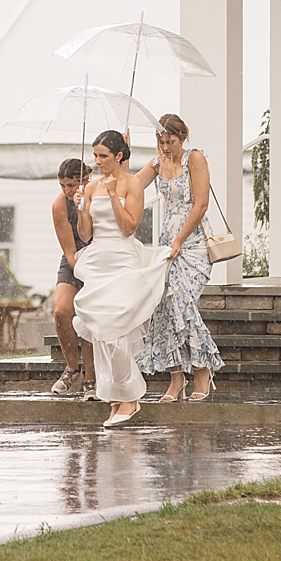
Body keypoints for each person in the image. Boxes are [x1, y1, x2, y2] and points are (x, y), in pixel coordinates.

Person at [72, 130, 172, 427]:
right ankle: (115, 397)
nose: (98, 161)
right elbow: (85, 234)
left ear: (119, 156)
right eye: (95, 156)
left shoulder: (132, 185)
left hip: (122, 260)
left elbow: (129, 227)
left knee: (114, 332)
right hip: (98, 260)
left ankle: (130, 397)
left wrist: (114, 194)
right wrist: (80, 209)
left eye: (103, 156)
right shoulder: (89, 187)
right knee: (101, 334)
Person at [134, 113, 225, 401]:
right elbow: (133, 186)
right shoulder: (158, 162)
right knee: (163, 306)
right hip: (167, 244)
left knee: (182, 302)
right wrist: (123, 158)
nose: (165, 147)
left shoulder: (194, 158)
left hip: (193, 243)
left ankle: (201, 369)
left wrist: (180, 240)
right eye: (160, 141)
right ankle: (176, 377)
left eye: (170, 141)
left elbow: (200, 205)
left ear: (181, 137)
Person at [50, 158, 98, 399]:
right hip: (74, 258)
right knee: (61, 309)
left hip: (99, 256)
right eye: (63, 185)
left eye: (71, 185)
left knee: (86, 312)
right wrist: (81, 271)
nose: (67, 191)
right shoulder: (60, 205)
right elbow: (69, 251)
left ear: (84, 181)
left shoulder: (97, 195)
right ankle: (72, 369)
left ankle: (92, 378)